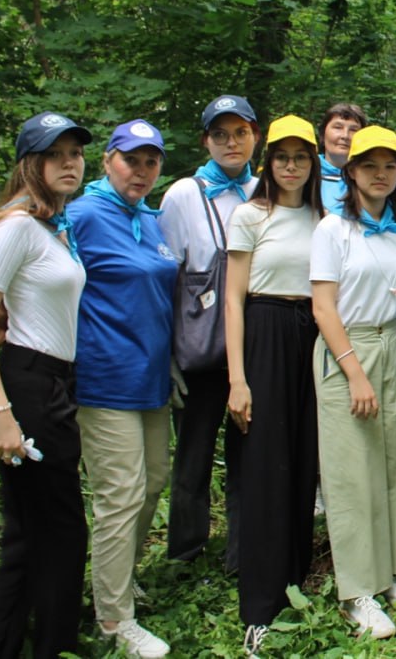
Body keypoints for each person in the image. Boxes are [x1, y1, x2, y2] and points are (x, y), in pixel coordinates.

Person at [0, 111, 92, 658]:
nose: (69, 162)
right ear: (30, 164)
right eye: (55, 154)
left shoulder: (48, 226)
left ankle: (8, 647)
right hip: (28, 386)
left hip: (52, 383)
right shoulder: (16, 226)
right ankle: (52, 646)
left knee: (29, 537)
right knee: (61, 533)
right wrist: (1, 413)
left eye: (76, 153)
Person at [68, 119, 177, 658]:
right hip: (104, 377)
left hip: (152, 378)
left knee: (153, 480)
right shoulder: (82, 215)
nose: (141, 171)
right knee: (120, 495)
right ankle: (114, 620)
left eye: (151, 161)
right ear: (108, 160)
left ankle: (117, 580)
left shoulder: (151, 221)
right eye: (131, 159)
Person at [310, 125, 396, 639]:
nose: (381, 174)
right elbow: (323, 306)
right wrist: (354, 372)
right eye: (369, 165)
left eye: (390, 166)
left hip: (393, 345)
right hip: (348, 346)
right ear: (350, 171)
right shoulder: (333, 230)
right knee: (351, 470)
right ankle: (358, 590)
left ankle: (392, 571)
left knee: (395, 459)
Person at [223, 115, 324, 655]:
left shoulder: (325, 216)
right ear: (269, 163)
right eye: (282, 157)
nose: (291, 166)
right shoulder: (250, 214)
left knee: (303, 460)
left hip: (313, 333)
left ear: (313, 164)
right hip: (263, 330)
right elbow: (234, 300)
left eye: (301, 157)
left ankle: (294, 579)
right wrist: (237, 378)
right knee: (264, 463)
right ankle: (259, 607)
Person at [160, 94, 260, 569]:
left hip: (252, 352)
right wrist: (168, 357)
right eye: (220, 134)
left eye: (240, 132)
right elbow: (169, 278)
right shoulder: (184, 194)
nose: (231, 143)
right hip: (200, 354)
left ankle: (243, 551)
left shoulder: (264, 193)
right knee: (193, 457)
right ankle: (186, 551)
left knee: (248, 457)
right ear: (206, 141)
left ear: (255, 136)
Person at [318, 102, 367, 216]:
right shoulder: (305, 174)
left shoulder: (374, 180)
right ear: (322, 133)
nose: (345, 136)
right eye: (338, 127)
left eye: (353, 130)